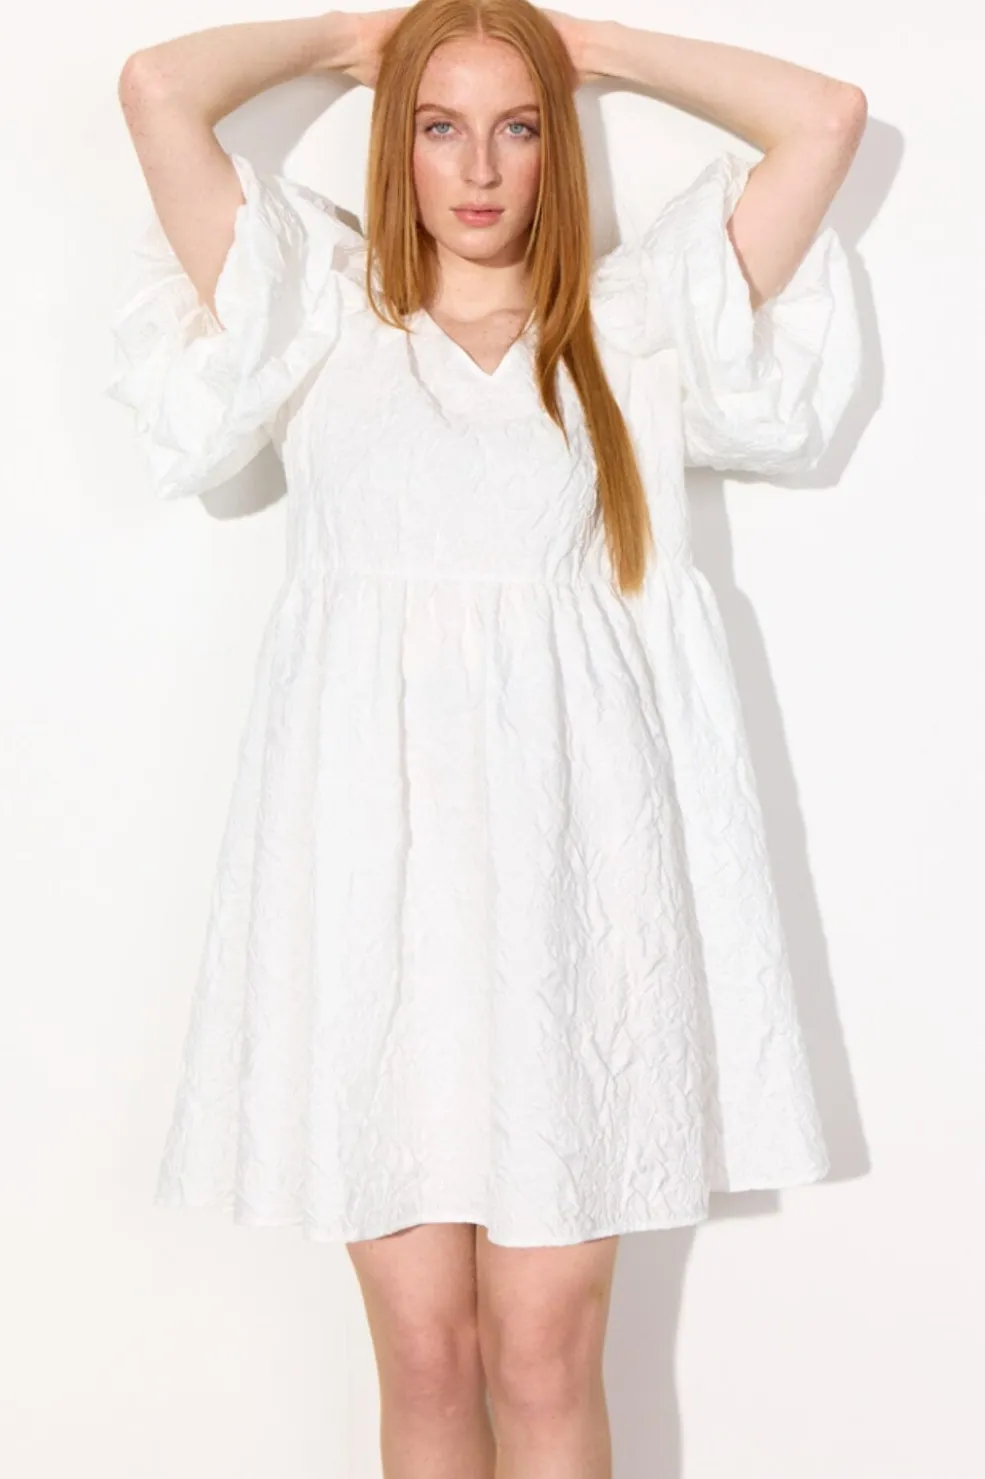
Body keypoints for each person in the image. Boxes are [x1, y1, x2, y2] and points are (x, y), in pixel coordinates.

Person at [106, 3, 866, 1474]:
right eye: (439, 126)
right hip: (372, 909)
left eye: (518, 128)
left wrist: (591, 49)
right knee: (426, 1353)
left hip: (572, 912)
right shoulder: (318, 316)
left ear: (555, 149)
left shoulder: (634, 330)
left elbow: (824, 118)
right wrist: (354, 35)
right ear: (396, 144)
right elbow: (154, 89)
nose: (478, 168)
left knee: (542, 1348)